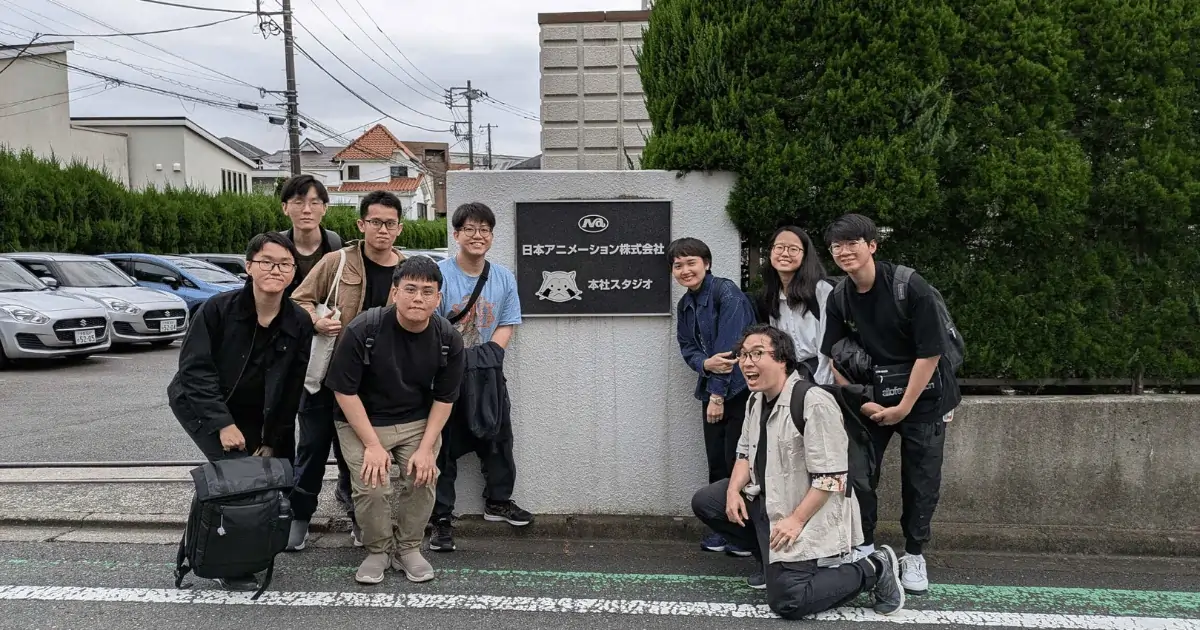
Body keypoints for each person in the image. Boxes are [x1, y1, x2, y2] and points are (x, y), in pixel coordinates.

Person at [690, 324, 905, 618]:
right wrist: (731, 491)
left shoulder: (813, 402)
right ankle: (771, 563)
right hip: (769, 498)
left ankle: (874, 567)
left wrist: (794, 521)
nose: (747, 362)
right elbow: (744, 452)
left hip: (809, 511)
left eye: (757, 353)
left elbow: (831, 478)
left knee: (789, 600)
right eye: (743, 355)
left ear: (782, 360)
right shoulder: (756, 398)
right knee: (708, 501)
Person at [819, 213, 962, 595]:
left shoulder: (908, 285)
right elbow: (834, 356)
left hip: (924, 396)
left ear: (872, 246)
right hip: (871, 398)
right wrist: (860, 401)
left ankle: (914, 553)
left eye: (853, 243)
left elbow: (930, 353)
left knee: (921, 479)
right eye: (837, 246)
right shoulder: (839, 296)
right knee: (858, 473)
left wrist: (903, 408)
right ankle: (865, 547)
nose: (844, 251)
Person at [166, 232, 314, 591]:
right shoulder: (218, 310)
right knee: (236, 477)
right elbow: (194, 371)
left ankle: (244, 545)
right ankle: (224, 561)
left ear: (294, 272)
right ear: (249, 266)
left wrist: (271, 438)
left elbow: (292, 389)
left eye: (285, 264)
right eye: (266, 261)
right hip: (201, 403)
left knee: (272, 475)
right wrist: (222, 424)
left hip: (257, 412)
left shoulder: (298, 322)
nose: (275, 270)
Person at [325, 256, 466, 585]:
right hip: (362, 422)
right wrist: (373, 445)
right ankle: (378, 550)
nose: (418, 298)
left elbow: (445, 398)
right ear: (394, 293)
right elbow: (344, 392)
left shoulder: (448, 338)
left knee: (423, 476)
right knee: (372, 485)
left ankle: (408, 548)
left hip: (417, 421)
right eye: (410, 289)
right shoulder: (364, 329)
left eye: (427, 291)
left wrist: (427, 448)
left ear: (438, 298)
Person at [287, 191, 408, 551]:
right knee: (311, 448)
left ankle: (359, 519)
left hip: (373, 386)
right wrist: (316, 321)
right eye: (375, 222)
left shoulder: (406, 269)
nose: (382, 230)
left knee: (355, 457)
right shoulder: (337, 261)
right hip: (326, 377)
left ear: (399, 228)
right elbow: (298, 300)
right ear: (361, 224)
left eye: (389, 223)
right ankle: (299, 517)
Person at [428, 202, 530, 552]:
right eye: (469, 229)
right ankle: (441, 516)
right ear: (455, 235)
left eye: (484, 229)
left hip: (487, 371)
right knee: (443, 446)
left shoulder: (503, 276)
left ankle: (498, 501)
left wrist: (491, 355)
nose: (477, 235)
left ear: (491, 236)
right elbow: (428, 323)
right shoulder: (438, 275)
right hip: (445, 372)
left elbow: (507, 321)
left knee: (498, 435)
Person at [669, 237, 758, 557]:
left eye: (691, 262)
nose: (684, 270)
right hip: (712, 390)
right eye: (678, 265)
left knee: (740, 462)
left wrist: (717, 395)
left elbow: (731, 348)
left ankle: (745, 534)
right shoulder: (685, 305)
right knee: (717, 462)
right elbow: (688, 347)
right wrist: (703, 364)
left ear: (706, 264)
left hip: (740, 392)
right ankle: (725, 527)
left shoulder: (727, 293)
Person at [755, 226, 835, 385]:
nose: (785, 254)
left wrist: (824, 387)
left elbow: (829, 347)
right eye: (779, 247)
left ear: (805, 256)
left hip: (822, 378)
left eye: (793, 249)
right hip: (790, 379)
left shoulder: (820, 290)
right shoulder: (770, 297)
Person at [277, 174, 344, 300]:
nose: (307, 210)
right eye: (298, 202)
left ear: (324, 208)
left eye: (314, 203)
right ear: (285, 208)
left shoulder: (339, 247)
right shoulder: (275, 248)